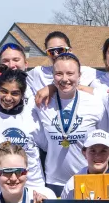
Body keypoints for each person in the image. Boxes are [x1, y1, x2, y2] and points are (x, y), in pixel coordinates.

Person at [32, 53, 105, 195]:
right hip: (54, 182)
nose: (65, 79)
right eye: (59, 74)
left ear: (79, 76)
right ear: (53, 76)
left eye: (70, 73)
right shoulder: (42, 104)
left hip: (87, 178)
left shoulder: (94, 103)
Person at [0, 68, 47, 188]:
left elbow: (47, 147)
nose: (8, 98)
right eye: (4, 91)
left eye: (14, 93)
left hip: (33, 185)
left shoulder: (33, 114)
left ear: (22, 95)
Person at [25, 31, 99, 95]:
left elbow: (106, 90)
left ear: (70, 50)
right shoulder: (38, 73)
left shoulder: (88, 72)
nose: (56, 54)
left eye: (60, 50)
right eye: (51, 51)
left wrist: (79, 87)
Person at [60, 130, 109, 199]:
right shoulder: (73, 185)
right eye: (93, 151)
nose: (98, 156)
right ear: (84, 153)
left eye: (103, 151)